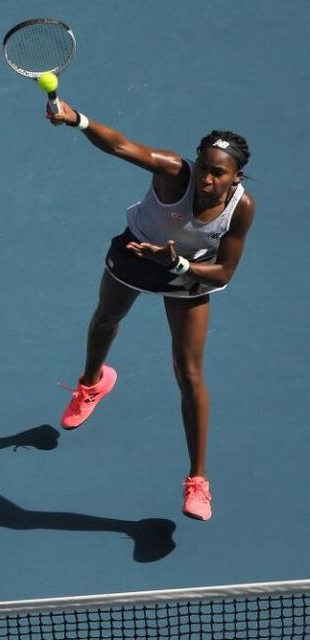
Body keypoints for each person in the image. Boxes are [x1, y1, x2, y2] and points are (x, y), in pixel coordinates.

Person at [46, 101, 255, 522]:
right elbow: (121, 146)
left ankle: (198, 480)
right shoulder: (173, 171)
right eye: (205, 168)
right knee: (106, 318)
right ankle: (93, 382)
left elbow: (224, 271)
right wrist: (77, 120)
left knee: (189, 372)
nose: (208, 179)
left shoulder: (242, 208)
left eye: (219, 173)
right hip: (137, 252)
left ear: (237, 177)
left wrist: (177, 264)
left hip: (186, 271)